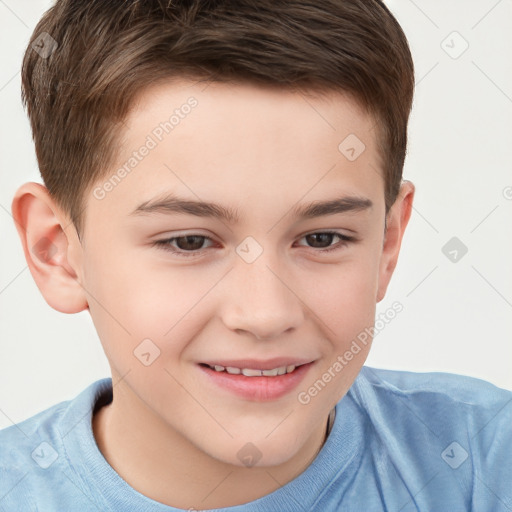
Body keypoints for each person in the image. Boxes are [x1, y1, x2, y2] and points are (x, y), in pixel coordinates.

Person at [1, 0, 511, 510]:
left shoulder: (486, 460)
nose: (266, 314)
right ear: (57, 252)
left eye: (322, 239)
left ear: (388, 241)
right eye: (189, 242)